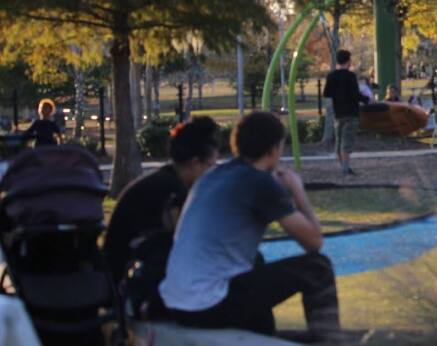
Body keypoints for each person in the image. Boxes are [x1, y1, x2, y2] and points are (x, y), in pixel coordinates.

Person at [160, 112, 340, 340]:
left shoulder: (213, 175)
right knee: (317, 268)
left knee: (255, 261)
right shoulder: (259, 183)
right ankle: (330, 342)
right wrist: (297, 190)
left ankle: (263, 335)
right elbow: (314, 242)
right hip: (207, 306)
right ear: (275, 148)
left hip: (177, 303)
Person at [104, 117, 220, 317]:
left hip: (118, 280)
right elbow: (188, 244)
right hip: (128, 288)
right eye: (210, 166)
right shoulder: (172, 192)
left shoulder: (163, 181)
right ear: (194, 163)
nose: (212, 174)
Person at [323, 49, 370, 175]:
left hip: (338, 112)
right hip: (351, 112)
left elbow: (326, 93)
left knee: (339, 140)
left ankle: (343, 166)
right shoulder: (351, 76)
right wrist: (367, 100)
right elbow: (355, 94)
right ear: (348, 61)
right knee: (347, 141)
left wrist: (337, 94)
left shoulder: (331, 76)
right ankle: (345, 168)